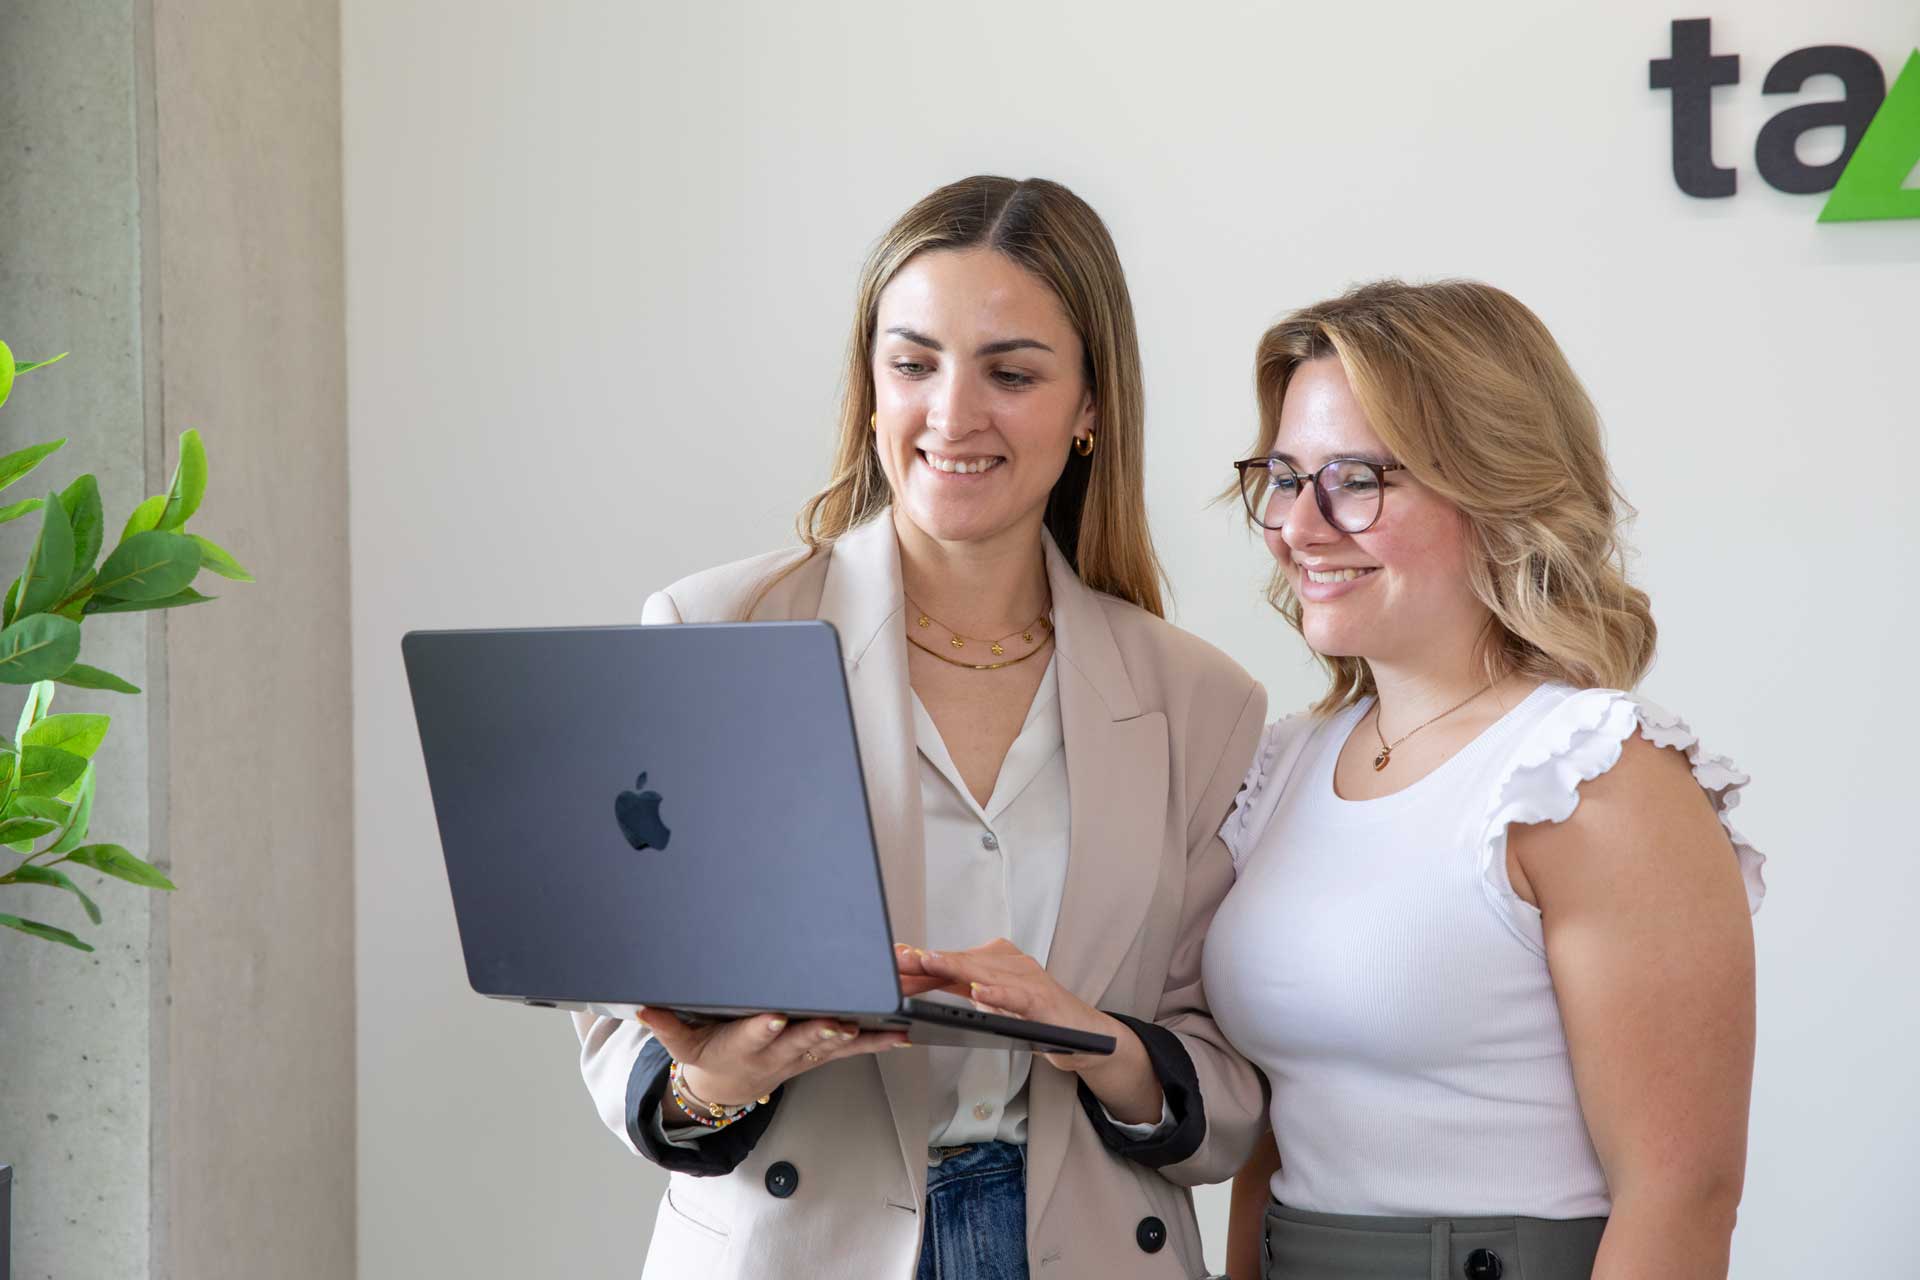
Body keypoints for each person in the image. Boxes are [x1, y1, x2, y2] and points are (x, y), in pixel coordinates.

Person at [574, 175, 1267, 1279]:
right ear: (870, 384)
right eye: (914, 363)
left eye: (1013, 371)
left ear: (1091, 406)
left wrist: (1088, 1034)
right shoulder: (713, 629)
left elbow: (1227, 1090)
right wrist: (718, 1080)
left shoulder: (1199, 698)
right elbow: (623, 1036)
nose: (952, 414)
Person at [1204, 280, 1766, 1280]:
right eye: (1285, 476)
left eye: (1357, 479)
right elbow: (1276, 1141)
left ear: (1492, 483)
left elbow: (1681, 1196)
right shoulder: (1286, 763)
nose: (1300, 524)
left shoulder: (1589, 771)